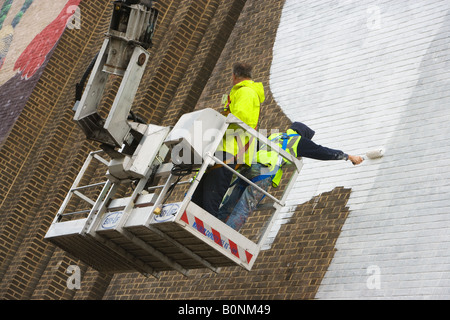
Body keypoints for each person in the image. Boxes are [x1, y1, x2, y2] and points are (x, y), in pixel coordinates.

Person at [217, 121, 364, 231]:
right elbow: (321, 151)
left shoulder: (275, 136)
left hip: (250, 168)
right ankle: (224, 237)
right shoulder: (298, 141)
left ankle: (214, 227)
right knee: (245, 206)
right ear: (303, 135)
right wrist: (348, 156)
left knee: (231, 202)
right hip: (265, 172)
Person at [191, 62, 265, 217]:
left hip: (230, 150)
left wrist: (218, 124)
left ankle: (206, 232)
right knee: (197, 199)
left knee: (210, 200)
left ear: (234, 76)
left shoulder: (245, 92)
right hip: (223, 150)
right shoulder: (243, 92)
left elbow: (240, 119)